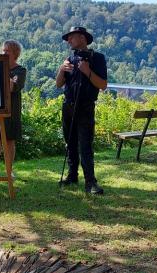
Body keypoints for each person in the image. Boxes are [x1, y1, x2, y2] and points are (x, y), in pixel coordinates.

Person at [55, 26, 108, 194]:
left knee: (85, 145)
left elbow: (103, 85)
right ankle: (72, 176)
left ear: (83, 38)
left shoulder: (98, 58)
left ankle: (91, 182)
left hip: (85, 107)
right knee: (70, 143)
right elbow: (58, 84)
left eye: (72, 37)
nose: (68, 40)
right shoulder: (69, 59)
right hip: (68, 106)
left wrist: (87, 71)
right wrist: (61, 70)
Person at [0, 40, 27, 178]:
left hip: (12, 110)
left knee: (10, 140)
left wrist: (3, 71)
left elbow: (13, 87)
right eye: (3, 50)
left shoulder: (20, 70)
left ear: (15, 53)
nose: (4, 53)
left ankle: (9, 170)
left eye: (7, 51)